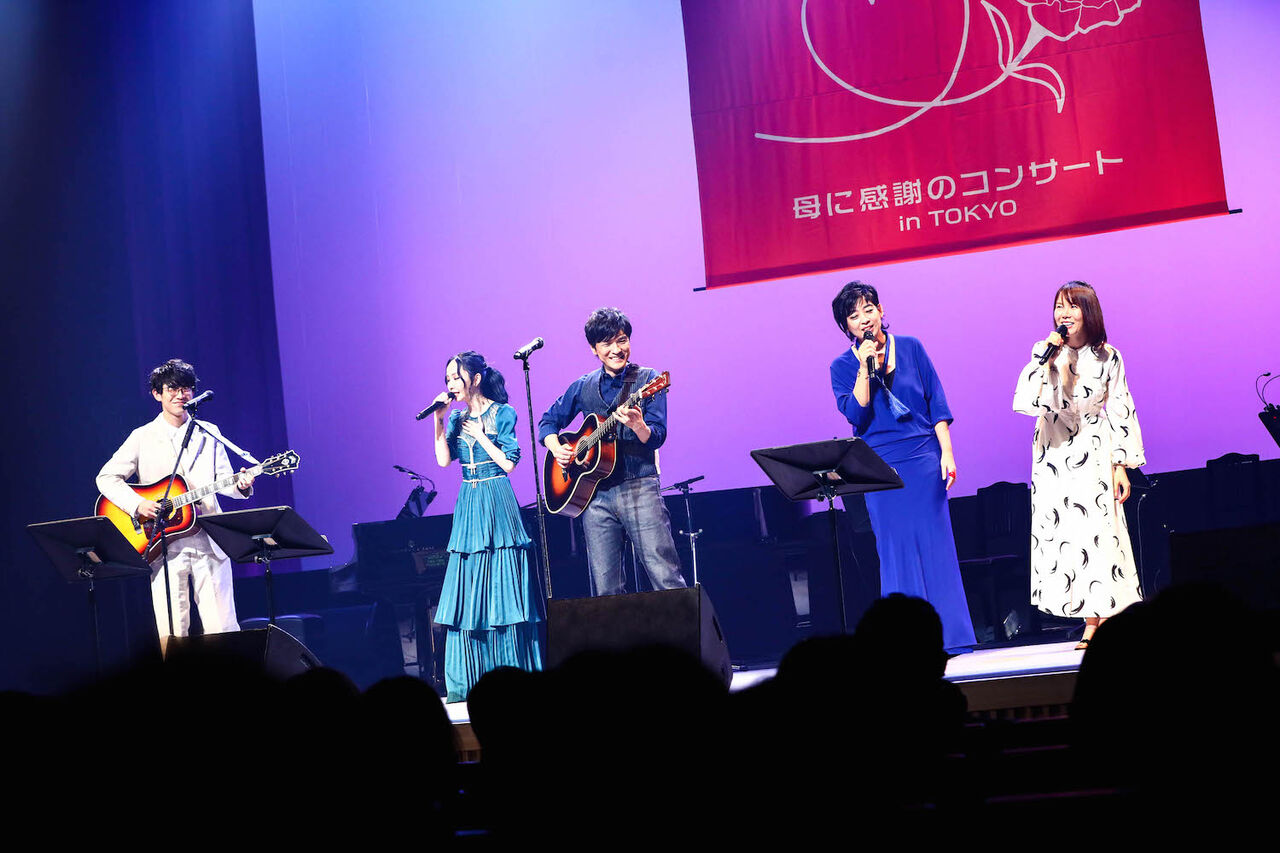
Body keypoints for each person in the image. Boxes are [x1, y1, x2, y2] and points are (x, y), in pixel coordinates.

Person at [828, 282, 976, 651]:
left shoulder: (911, 347)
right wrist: (864, 369)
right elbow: (856, 413)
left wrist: (947, 453)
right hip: (878, 467)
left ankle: (951, 636)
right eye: (854, 316)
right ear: (846, 326)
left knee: (935, 546)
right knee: (894, 551)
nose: (864, 319)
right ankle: (906, 642)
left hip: (924, 458)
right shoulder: (841, 366)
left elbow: (936, 402)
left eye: (868, 309)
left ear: (881, 311)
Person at [1013, 281, 1144, 649]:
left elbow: (1120, 407)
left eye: (1072, 306)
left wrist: (1121, 465)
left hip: (1093, 445)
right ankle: (1087, 614)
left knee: (1098, 530)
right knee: (1064, 532)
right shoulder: (1044, 350)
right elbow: (1025, 401)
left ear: (1089, 312)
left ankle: (1100, 619)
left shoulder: (1108, 356)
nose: (1064, 313)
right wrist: (1048, 359)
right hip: (1053, 450)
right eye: (1059, 306)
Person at [96, 358, 255, 639]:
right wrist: (137, 504)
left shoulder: (209, 432)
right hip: (164, 544)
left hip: (209, 540)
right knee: (172, 634)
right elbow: (106, 478)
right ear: (157, 394)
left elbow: (223, 480)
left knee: (223, 631)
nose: (181, 395)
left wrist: (241, 485)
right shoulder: (142, 437)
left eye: (186, 388)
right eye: (172, 388)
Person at [538, 307, 686, 597]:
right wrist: (558, 449)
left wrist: (639, 426)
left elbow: (657, 436)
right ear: (594, 349)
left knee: (665, 576)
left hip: (639, 487)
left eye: (622, 340)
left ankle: (685, 627)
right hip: (594, 496)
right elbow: (548, 422)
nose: (617, 349)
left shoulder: (649, 379)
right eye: (607, 343)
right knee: (606, 590)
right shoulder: (583, 386)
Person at [431, 351, 543, 702]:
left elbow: (509, 463)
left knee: (503, 580)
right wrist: (439, 420)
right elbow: (444, 460)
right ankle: (470, 678)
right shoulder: (456, 417)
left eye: (456, 377)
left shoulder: (502, 413)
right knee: (470, 584)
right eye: (448, 379)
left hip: (497, 497)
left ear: (475, 379)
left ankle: (512, 673)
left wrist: (480, 436)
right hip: (469, 500)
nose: (451, 384)